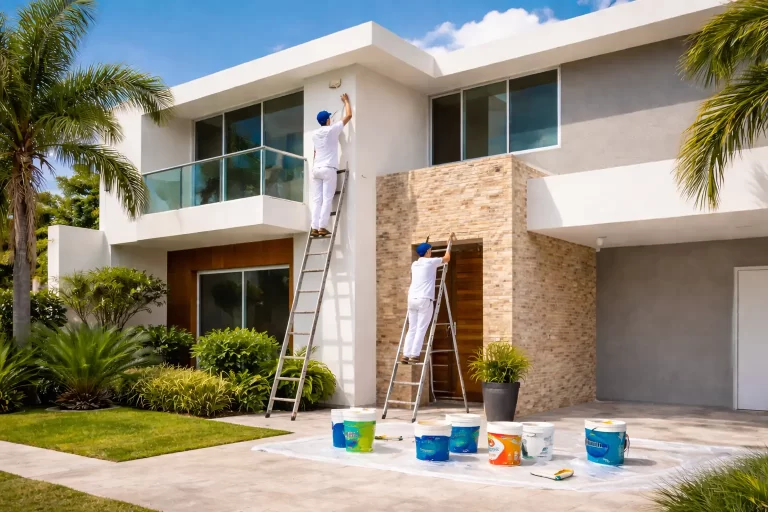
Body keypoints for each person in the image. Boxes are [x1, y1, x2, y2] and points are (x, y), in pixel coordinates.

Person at [401, 237, 452, 364]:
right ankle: (414, 355)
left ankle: (405, 355)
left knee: (412, 328)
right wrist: (448, 246)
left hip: (412, 299)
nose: (431, 253)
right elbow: (447, 259)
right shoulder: (431, 262)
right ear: (428, 252)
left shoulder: (414, 264)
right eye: (430, 251)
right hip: (424, 299)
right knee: (421, 328)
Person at [311, 93, 352, 237]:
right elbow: (348, 116)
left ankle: (314, 227)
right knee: (327, 198)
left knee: (317, 199)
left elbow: (315, 152)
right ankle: (322, 227)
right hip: (328, 168)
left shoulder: (315, 134)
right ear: (328, 120)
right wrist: (346, 101)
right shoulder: (332, 129)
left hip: (316, 169)